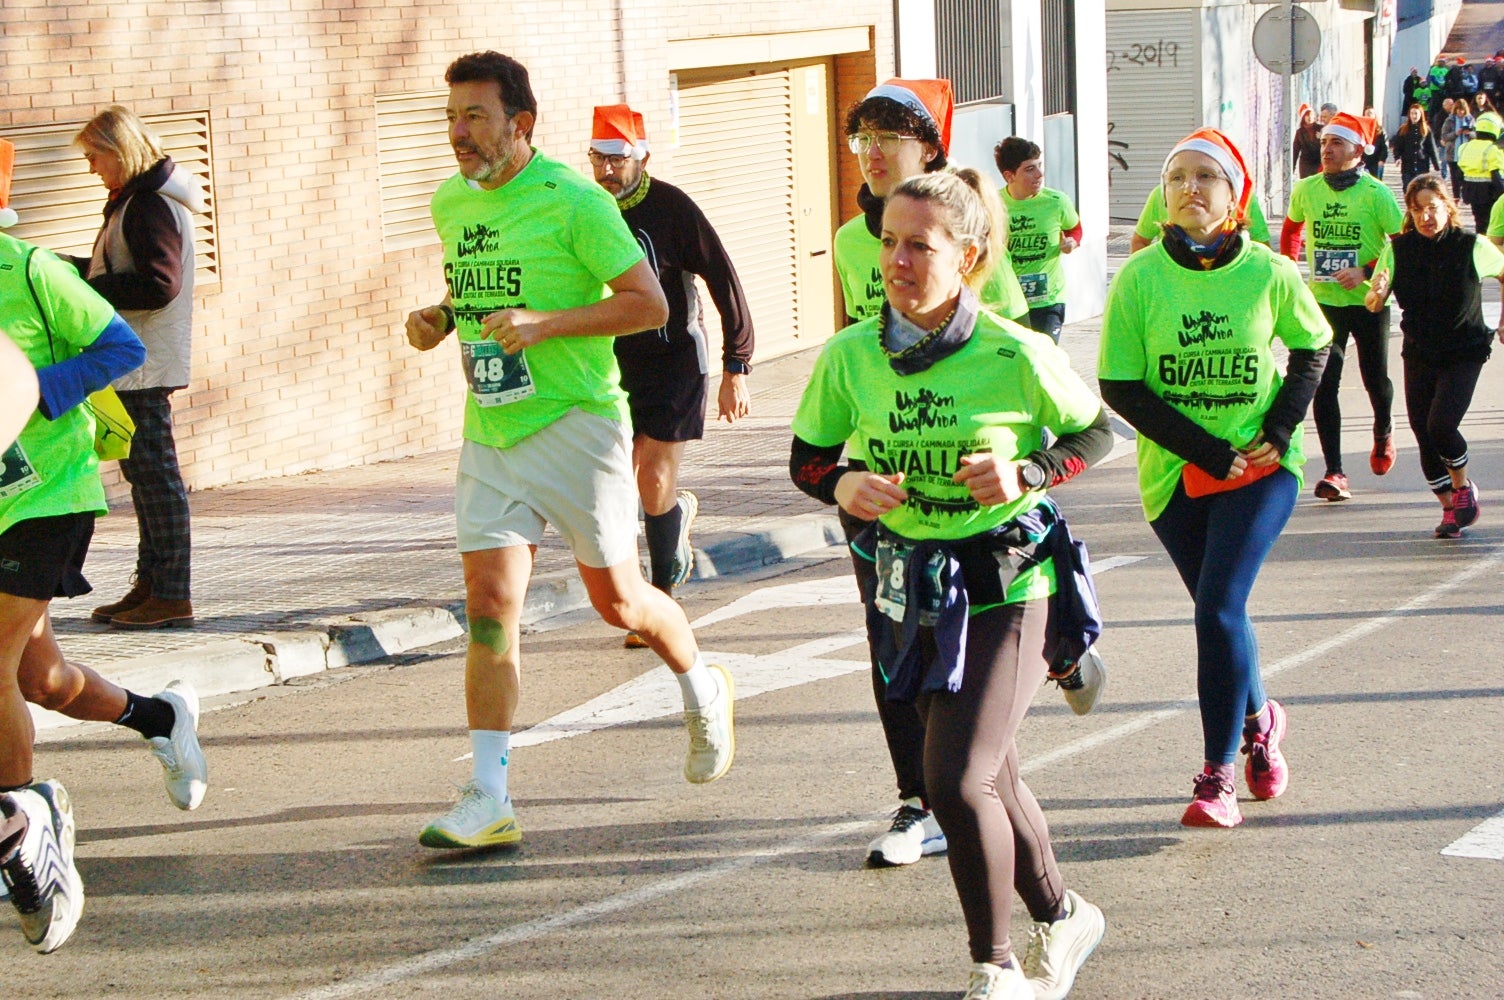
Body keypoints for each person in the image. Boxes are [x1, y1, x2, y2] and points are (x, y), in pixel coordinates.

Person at [792, 167, 1109, 1000]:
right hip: (912, 584)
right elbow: (808, 458)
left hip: (1005, 578)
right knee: (991, 774)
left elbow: (1096, 432)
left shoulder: (1015, 351)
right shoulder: (852, 355)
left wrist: (1028, 468)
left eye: (919, 245)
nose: (895, 259)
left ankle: (995, 967)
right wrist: (840, 485)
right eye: (888, 242)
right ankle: (1064, 915)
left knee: (956, 779)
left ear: (966, 257)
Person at [404, 52, 734, 851]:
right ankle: (488, 796)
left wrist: (545, 325)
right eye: (451, 117)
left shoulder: (576, 199)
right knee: (489, 606)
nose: (457, 133)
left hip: (578, 427)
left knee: (618, 604)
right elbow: (476, 286)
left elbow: (646, 303)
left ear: (521, 124)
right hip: (492, 428)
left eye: (474, 117)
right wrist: (442, 318)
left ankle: (701, 684)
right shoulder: (453, 201)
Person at [830, 79, 1086, 871]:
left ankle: (1062, 635)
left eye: (889, 137)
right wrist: (846, 469)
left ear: (929, 149)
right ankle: (920, 798)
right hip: (884, 485)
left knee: (973, 647)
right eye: (860, 137)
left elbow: (1004, 348)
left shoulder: (967, 231)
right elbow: (857, 347)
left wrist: (1021, 469)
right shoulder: (847, 240)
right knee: (893, 638)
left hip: (981, 492)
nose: (872, 152)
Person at [1100, 129, 1331, 828]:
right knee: (1218, 608)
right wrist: (1199, 448)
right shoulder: (1139, 279)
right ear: (1162, 198)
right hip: (1174, 472)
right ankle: (1261, 720)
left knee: (1218, 607)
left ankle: (1217, 776)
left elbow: (1313, 346)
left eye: (1207, 178)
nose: (1190, 189)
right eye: (1177, 179)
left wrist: (1281, 429)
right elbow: (1120, 385)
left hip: (1260, 468)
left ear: (1235, 197)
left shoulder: (1269, 271)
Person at [0, 136, 163, 953]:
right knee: (42, 678)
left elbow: (122, 348)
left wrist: (36, 394)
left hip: (47, 493)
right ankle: (160, 716)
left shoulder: (32, 272)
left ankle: (24, 826)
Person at [585, 104, 754, 647]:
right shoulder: (585, 209)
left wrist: (737, 364)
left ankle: (659, 599)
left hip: (675, 359)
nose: (608, 170)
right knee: (613, 480)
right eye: (598, 158)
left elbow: (723, 279)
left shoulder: (671, 207)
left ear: (642, 157)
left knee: (653, 476)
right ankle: (674, 518)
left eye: (618, 158)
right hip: (609, 366)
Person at [60, 107, 205, 631]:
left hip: (142, 364)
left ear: (119, 150)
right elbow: (123, 271)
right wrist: (71, 269)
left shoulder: (147, 205)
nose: (93, 168)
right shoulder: (135, 202)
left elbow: (157, 284)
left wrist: (83, 290)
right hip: (135, 362)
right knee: (145, 479)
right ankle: (150, 585)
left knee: (156, 479)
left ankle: (170, 594)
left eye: (95, 157)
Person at [1366, 176, 1504, 538]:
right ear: (1409, 213)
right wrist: (1377, 294)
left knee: (1440, 425)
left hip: (1464, 349)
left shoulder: (1471, 245)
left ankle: (1462, 488)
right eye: (1417, 209)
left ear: (1447, 206)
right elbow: (1374, 301)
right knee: (1422, 432)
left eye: (1432, 207)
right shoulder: (1398, 250)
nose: (1425, 216)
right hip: (1420, 350)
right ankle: (1448, 511)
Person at [1281, 112, 1404, 502]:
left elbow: (1402, 245)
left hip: (1367, 302)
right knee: (1324, 383)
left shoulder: (1376, 194)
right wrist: (1290, 271)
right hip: (1323, 303)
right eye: (1324, 143)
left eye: (1336, 144)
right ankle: (1335, 472)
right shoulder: (1307, 189)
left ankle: (1384, 428)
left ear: (1356, 150)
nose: (1327, 150)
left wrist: (1366, 271)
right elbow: (1291, 230)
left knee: (1374, 378)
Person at [994, 136, 1081, 343]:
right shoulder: (993, 203)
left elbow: (1075, 228)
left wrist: (1072, 242)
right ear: (1009, 176)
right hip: (1011, 301)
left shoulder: (1056, 201)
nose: (1040, 174)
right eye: (1029, 169)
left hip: (1049, 299)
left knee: (1046, 355)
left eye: (1039, 166)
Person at [1129, 184, 1272, 253]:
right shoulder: (1160, 194)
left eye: (1205, 175)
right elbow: (1140, 241)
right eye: (1178, 177)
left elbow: (1262, 247)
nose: (1191, 188)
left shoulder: (1245, 197)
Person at [1456, 113, 1504, 233]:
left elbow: (1459, 174)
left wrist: (1458, 192)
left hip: (1471, 192)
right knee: (1491, 224)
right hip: (1489, 192)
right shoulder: (1493, 149)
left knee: (1479, 222)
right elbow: (1497, 177)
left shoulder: (1464, 147)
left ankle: (1480, 245)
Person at [1392, 103, 1442, 193]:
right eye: (1412, 113)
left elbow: (1432, 148)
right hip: (1408, 165)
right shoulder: (1403, 129)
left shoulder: (1426, 130)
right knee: (1408, 188)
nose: (1414, 116)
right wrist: (1397, 157)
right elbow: (1398, 146)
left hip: (1422, 165)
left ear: (1421, 115)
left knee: (1421, 189)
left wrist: (1436, 165)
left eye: (1416, 113)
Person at [1440, 97, 1475, 199]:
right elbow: (1444, 136)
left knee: (1465, 177)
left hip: (1466, 153)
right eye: (1458, 109)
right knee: (1455, 177)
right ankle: (1456, 197)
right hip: (1453, 153)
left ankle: (1465, 195)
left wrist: (1469, 133)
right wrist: (1455, 133)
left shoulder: (1470, 120)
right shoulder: (1449, 120)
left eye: (1463, 110)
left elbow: (1477, 135)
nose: (1460, 112)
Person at [1291, 104, 1322, 179]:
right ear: (1303, 117)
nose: (1309, 117)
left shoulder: (1321, 128)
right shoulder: (1299, 132)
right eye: (1307, 115)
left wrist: (1322, 137)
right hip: (1306, 165)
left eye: (1311, 115)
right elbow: (1295, 150)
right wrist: (1292, 167)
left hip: (1319, 163)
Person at [1362, 107, 1390, 180]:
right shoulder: (1361, 130)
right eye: (1366, 114)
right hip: (1363, 161)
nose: (1368, 116)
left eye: (1370, 113)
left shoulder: (1380, 130)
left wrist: (1382, 160)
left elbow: (1385, 147)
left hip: (1376, 161)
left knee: (1376, 182)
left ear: (1375, 116)